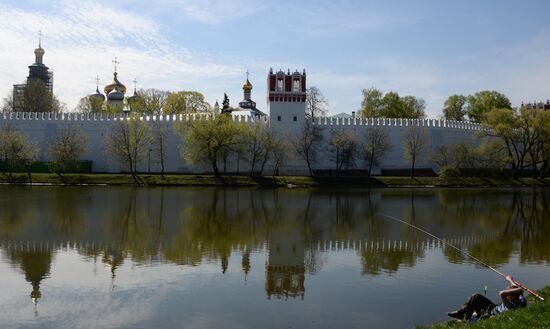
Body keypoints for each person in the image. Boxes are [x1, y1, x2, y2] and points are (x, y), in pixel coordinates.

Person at [447, 275, 527, 321]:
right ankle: (463, 313)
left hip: (490, 312)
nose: (506, 295)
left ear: (510, 297)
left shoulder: (509, 305)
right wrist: (510, 280)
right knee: (476, 296)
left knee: (475, 297)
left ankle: (464, 315)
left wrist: (519, 289)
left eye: (507, 295)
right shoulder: (522, 301)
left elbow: (502, 293)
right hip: (494, 307)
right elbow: (518, 291)